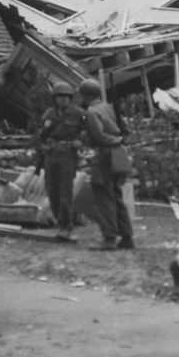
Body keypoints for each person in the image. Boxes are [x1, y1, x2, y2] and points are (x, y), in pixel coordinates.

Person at [78, 78, 134, 250]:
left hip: (105, 154)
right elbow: (125, 130)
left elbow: (98, 136)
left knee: (103, 195)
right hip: (118, 152)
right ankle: (127, 236)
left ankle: (109, 237)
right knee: (116, 195)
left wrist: (84, 137)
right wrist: (118, 139)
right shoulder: (109, 108)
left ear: (84, 95)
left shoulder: (92, 112)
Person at [36, 81, 85, 241]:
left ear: (70, 98)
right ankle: (59, 222)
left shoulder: (79, 113)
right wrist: (44, 146)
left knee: (65, 191)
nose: (63, 100)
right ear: (55, 98)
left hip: (68, 155)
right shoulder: (48, 115)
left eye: (66, 97)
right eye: (60, 97)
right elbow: (40, 135)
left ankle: (66, 226)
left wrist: (80, 142)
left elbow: (88, 131)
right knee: (52, 190)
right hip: (51, 155)